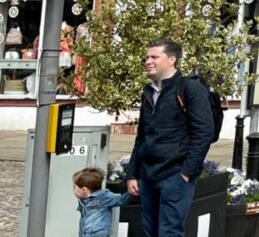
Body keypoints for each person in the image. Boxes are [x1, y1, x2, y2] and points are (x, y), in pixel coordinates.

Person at [127, 38, 214, 237]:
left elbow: (204, 133)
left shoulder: (190, 89)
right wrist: (133, 173)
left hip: (174, 174)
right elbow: (142, 135)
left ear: (172, 59)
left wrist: (186, 172)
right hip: (148, 175)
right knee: (150, 231)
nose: (148, 61)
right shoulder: (149, 91)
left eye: (155, 57)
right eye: (147, 57)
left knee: (169, 233)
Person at [72, 167, 130, 237]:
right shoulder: (84, 201)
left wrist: (132, 191)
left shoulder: (103, 197)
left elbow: (121, 200)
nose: (73, 190)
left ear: (84, 189)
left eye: (74, 187)